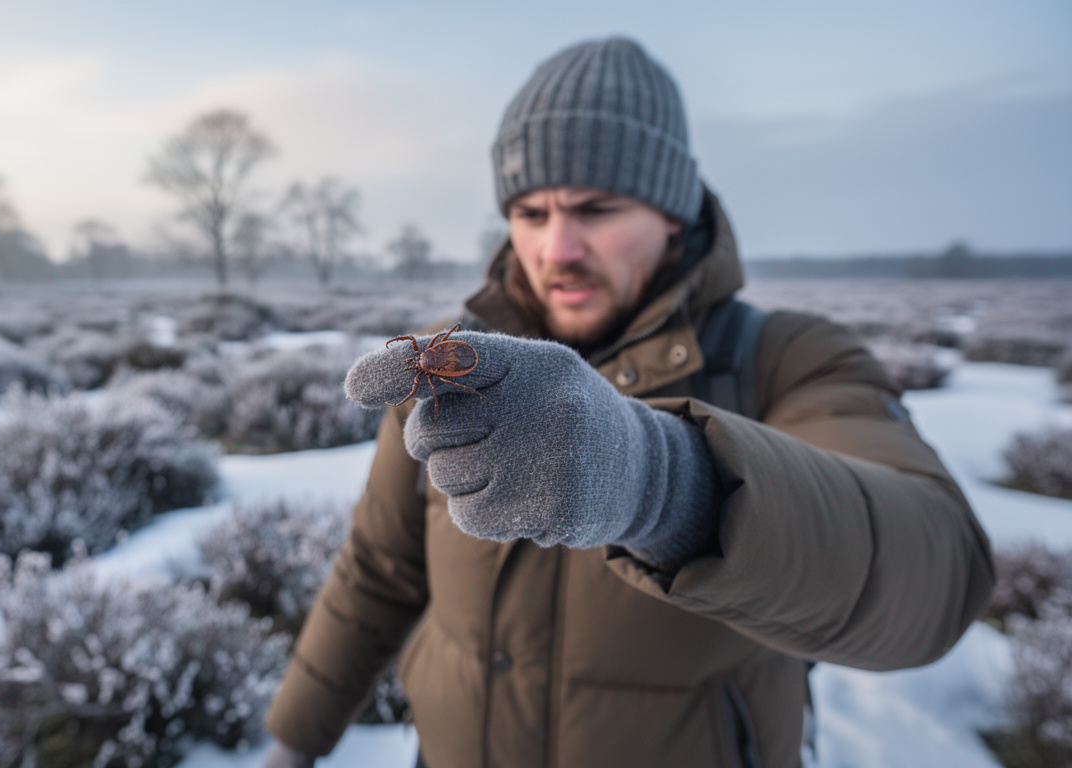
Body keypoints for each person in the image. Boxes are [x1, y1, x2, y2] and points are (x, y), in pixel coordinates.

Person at [262, 37, 995, 768]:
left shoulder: (788, 359)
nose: (557, 249)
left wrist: (662, 483)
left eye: (597, 208)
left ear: (673, 212)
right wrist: (295, 741)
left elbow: (934, 577)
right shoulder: (445, 363)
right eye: (530, 213)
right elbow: (378, 570)